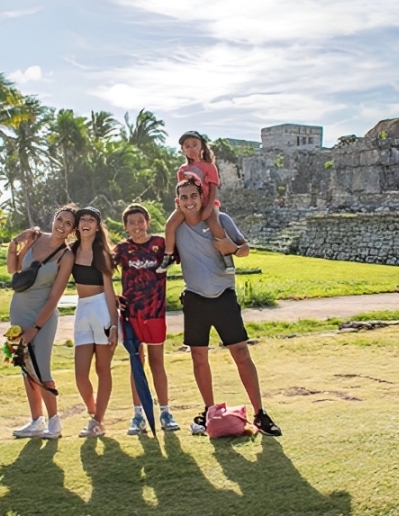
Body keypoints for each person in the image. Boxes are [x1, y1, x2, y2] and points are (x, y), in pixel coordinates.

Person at [172, 178, 281, 437]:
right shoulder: (175, 227)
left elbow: (245, 249)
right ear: (178, 202)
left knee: (241, 352)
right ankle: (209, 411)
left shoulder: (221, 220)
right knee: (199, 357)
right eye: (183, 197)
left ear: (202, 197)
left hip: (223, 296)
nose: (189, 202)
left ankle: (259, 413)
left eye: (193, 196)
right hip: (195, 298)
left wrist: (230, 247)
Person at [7, 205, 78, 439]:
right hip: (19, 312)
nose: (62, 225)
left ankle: (54, 423)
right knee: (25, 368)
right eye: (60, 219)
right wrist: (15, 242)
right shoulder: (35, 238)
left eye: (68, 223)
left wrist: (35, 328)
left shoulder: (66, 256)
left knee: (42, 368)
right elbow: (13, 268)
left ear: (73, 230)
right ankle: (36, 421)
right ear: (53, 218)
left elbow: (54, 297)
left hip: (43, 318)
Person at [113, 203, 179, 434]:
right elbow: (102, 271)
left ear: (147, 222)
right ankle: (138, 415)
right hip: (132, 315)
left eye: (140, 221)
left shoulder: (160, 244)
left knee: (157, 363)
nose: (137, 226)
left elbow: (182, 255)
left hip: (156, 313)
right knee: (136, 364)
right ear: (126, 226)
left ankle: (165, 412)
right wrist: (112, 296)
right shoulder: (122, 249)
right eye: (131, 223)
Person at [158, 130, 235, 275]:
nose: (191, 149)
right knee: (170, 224)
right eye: (187, 146)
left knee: (215, 225)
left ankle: (227, 257)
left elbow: (213, 188)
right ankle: (168, 255)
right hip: (189, 205)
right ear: (182, 150)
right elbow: (182, 190)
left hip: (207, 203)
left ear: (202, 147)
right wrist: (180, 205)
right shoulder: (182, 170)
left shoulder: (209, 167)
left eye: (194, 145)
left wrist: (209, 207)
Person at [70, 207, 118, 437]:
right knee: (80, 374)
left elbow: (110, 292)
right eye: (82, 220)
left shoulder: (103, 254)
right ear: (77, 226)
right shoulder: (71, 251)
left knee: (102, 369)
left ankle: (97, 420)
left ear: (97, 226)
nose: (86, 223)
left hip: (101, 308)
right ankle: (94, 414)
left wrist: (115, 325)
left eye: (91, 220)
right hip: (82, 310)